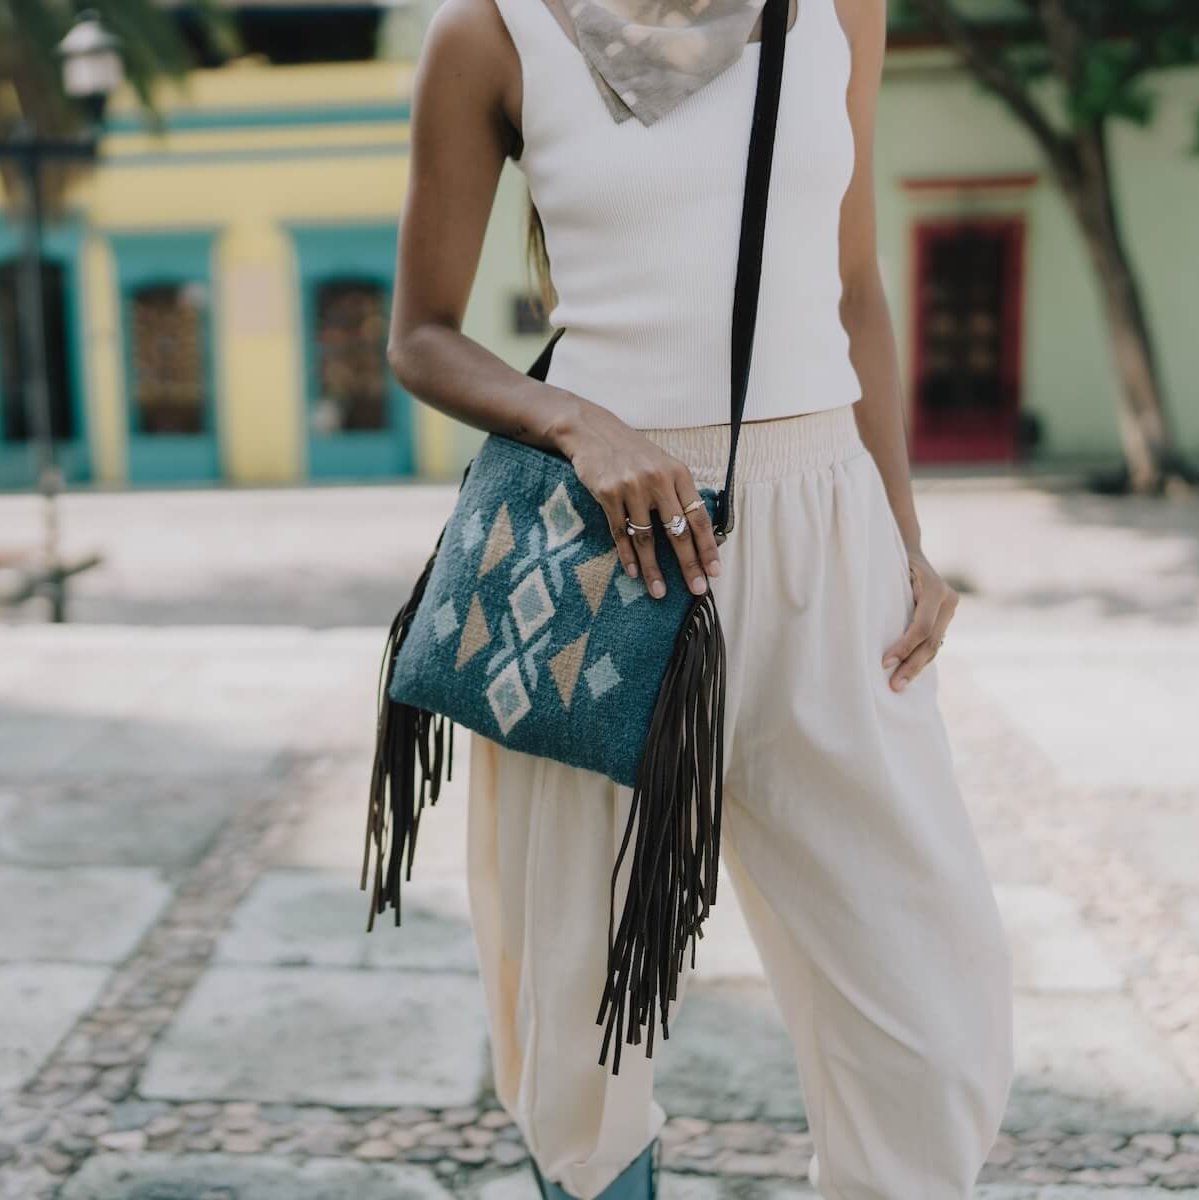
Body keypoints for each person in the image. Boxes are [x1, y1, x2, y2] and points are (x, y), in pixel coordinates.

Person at [384, 0, 1016, 1196]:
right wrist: (580, 425)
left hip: (824, 540)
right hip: (599, 550)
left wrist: (904, 539)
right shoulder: (492, 30)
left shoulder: (836, 10)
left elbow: (852, 290)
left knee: (926, 1002)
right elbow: (419, 335)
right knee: (577, 1029)